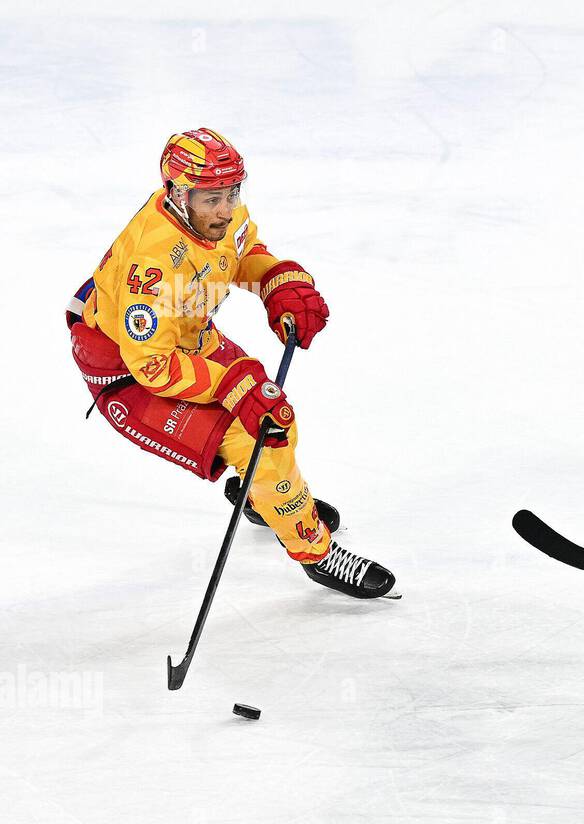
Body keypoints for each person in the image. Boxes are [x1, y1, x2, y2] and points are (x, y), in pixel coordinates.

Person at [67, 128, 396, 599]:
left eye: (232, 193)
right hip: (128, 372)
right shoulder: (152, 266)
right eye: (212, 199)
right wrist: (234, 387)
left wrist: (277, 283)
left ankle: (267, 497)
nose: (226, 208)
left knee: (275, 421)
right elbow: (153, 368)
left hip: (186, 337)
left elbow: (244, 253)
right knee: (262, 439)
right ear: (179, 195)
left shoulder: (217, 213)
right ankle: (316, 552)